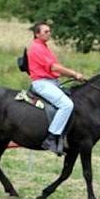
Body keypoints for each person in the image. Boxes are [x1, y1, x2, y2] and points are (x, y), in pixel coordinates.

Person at [27, 22, 84, 155]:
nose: (49, 33)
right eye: (45, 31)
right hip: (42, 83)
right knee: (66, 105)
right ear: (37, 34)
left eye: (49, 31)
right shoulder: (37, 48)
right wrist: (74, 73)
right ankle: (51, 138)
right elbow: (54, 67)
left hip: (51, 82)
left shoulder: (44, 47)